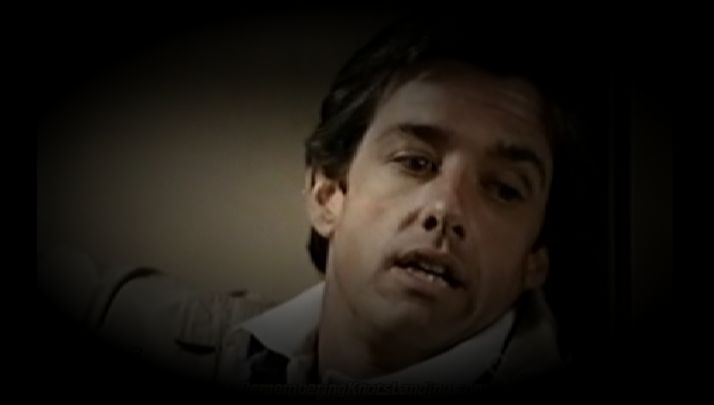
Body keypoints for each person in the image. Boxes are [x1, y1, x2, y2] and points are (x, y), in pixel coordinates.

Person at [38, 16, 587, 396]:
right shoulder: (133, 321)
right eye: (415, 162)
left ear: (535, 259)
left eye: (505, 189)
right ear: (329, 195)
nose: (445, 208)